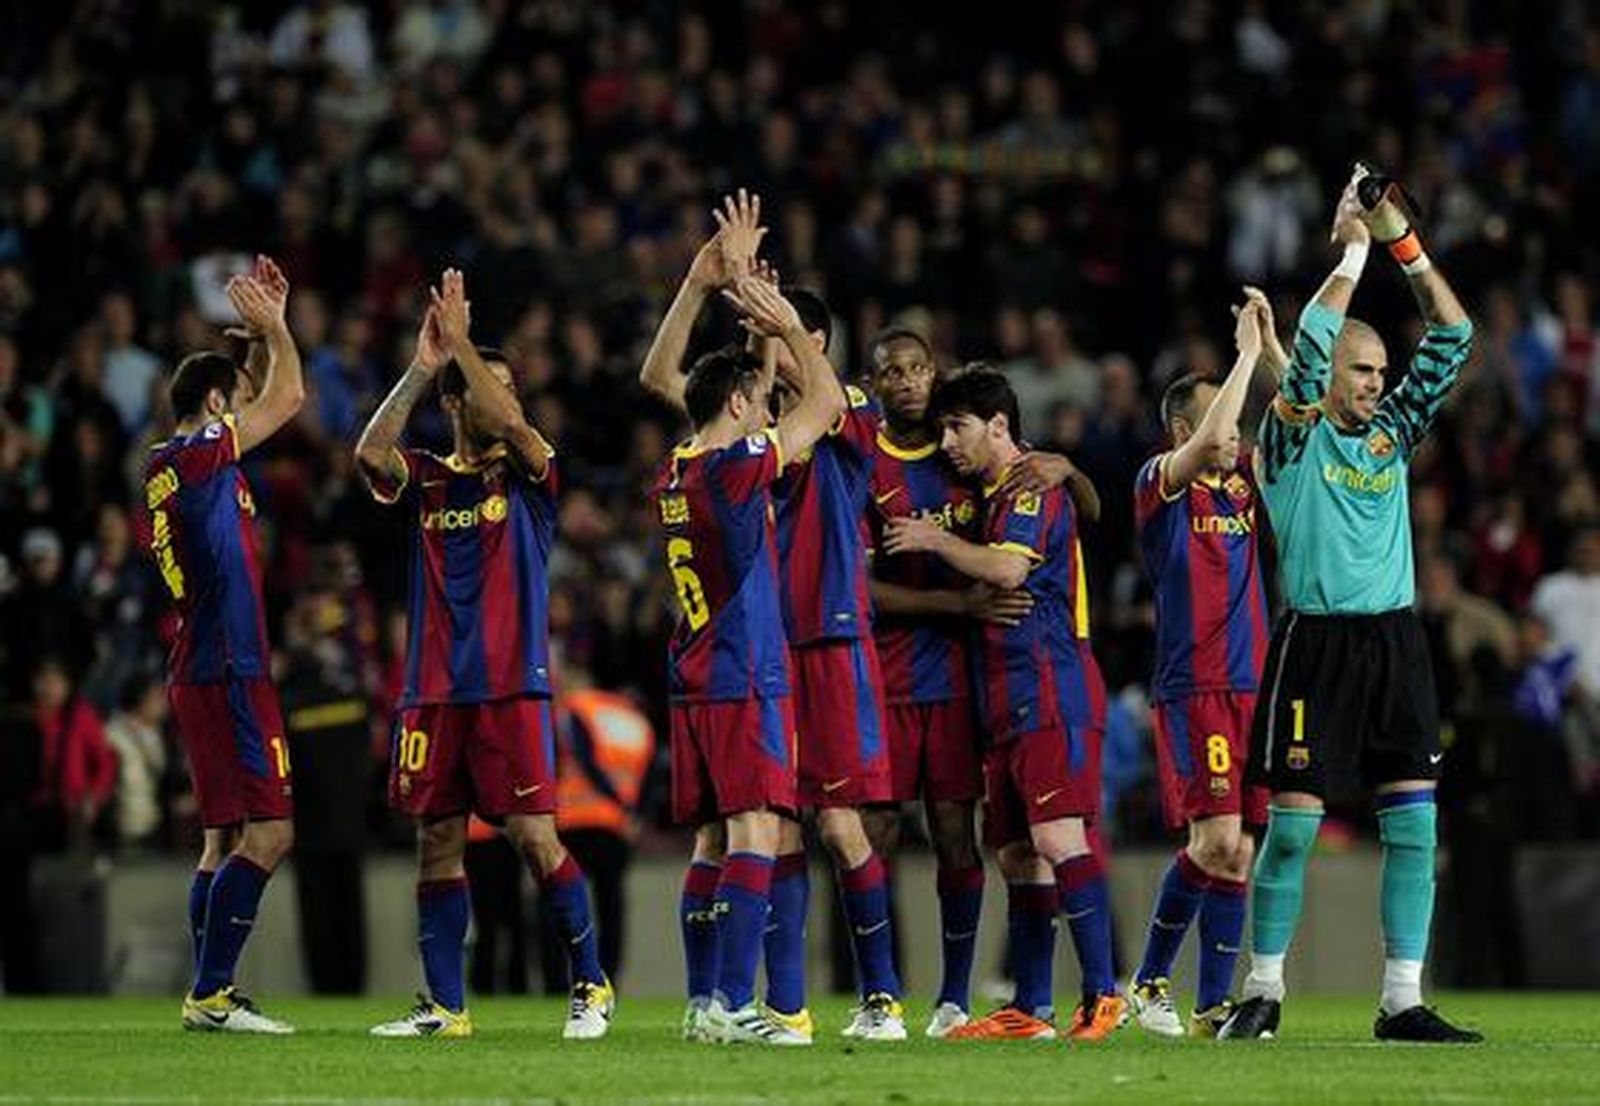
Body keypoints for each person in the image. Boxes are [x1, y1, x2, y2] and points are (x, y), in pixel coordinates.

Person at [1221, 168, 1482, 1043]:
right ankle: (1262, 991)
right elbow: (1319, 331)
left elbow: (1453, 332)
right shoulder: (1291, 435)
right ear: (1321, 371)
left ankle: (1401, 1001)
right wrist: (1355, 247)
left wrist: (1402, 239)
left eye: (1378, 370)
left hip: (1396, 645)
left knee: (1413, 828)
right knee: (1291, 834)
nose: (1374, 382)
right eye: (1359, 369)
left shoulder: (1392, 432)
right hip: (1318, 646)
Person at [641, 191, 903, 1042]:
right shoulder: (746, 443)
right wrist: (743, 303)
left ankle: (878, 999)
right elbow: (673, 381)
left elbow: (819, 405)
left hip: (819, 641)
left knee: (827, 823)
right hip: (755, 657)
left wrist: (754, 305)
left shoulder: (840, 411)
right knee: (765, 829)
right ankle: (766, 1007)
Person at [355, 270, 610, 1040]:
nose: (503, 401)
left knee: (535, 839)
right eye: (478, 386)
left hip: (510, 687)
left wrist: (464, 344)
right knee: (435, 843)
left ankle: (591, 986)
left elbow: (509, 416)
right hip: (432, 691)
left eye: (508, 388)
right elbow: (370, 453)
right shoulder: (430, 480)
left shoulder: (531, 472)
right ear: (454, 401)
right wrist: (426, 365)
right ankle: (444, 1007)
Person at [860, 325, 1092, 1036]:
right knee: (873, 834)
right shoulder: (866, 462)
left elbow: (1081, 512)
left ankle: (955, 998)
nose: (905, 381)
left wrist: (1068, 469)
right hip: (892, 673)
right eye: (891, 372)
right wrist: (955, 603)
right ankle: (880, 996)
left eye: (917, 368)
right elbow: (861, 588)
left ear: (935, 374)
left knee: (962, 837)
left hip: (966, 678)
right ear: (875, 386)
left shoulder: (966, 458)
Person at [647, 271, 843, 1045]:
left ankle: (702, 1003)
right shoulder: (734, 472)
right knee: (758, 833)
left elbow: (670, 379)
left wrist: (701, 286)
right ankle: (732, 1003)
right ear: (736, 408)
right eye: (759, 403)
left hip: (693, 677)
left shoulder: (676, 470)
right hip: (743, 675)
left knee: (710, 843)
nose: (769, 410)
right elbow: (825, 407)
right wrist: (790, 324)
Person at [142, 255, 305, 1033]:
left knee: (222, 839)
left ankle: (206, 993)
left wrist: (255, 344)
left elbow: (248, 391)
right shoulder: (208, 454)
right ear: (214, 407)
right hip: (235, 667)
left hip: (194, 669)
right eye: (234, 404)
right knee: (271, 832)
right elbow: (292, 397)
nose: (246, 419)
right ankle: (211, 994)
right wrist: (280, 331)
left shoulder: (166, 466)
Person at [1127, 296, 1272, 1038]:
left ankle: (1214, 1002)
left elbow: (1300, 417)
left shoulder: (1244, 486)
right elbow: (1218, 435)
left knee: (1241, 849)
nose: (1235, 428)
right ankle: (1150, 982)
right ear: (1185, 429)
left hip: (1254, 684)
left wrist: (1271, 344)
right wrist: (1243, 355)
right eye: (1221, 416)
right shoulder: (1161, 482)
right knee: (1212, 842)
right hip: (1196, 687)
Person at [542, 674, 656, 989]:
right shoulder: (636, 721)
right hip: (615, 826)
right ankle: (609, 981)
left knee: (560, 903)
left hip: (574, 819)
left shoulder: (579, 706)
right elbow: (649, 775)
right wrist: (633, 813)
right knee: (611, 906)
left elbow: (584, 758)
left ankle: (557, 981)